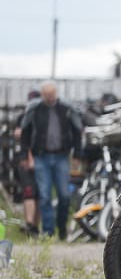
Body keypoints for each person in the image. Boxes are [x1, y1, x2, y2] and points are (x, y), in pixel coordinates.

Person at [19, 81, 82, 240]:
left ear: (56, 94)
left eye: (51, 95)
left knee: (64, 195)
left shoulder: (66, 109)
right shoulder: (35, 109)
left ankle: (61, 227)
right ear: (42, 95)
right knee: (45, 195)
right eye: (46, 96)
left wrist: (77, 155)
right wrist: (24, 155)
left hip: (62, 157)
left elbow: (77, 131)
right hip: (42, 157)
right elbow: (25, 132)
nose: (49, 98)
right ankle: (48, 232)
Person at [14, 90, 42, 237]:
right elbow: (20, 136)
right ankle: (30, 225)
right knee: (29, 193)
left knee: (38, 194)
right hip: (27, 160)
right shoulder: (24, 118)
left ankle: (34, 227)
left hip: (40, 161)